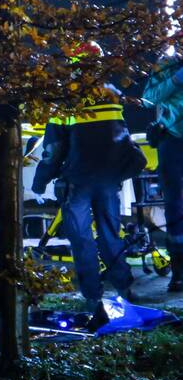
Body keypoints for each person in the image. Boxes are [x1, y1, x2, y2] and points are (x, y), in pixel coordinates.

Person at [34, 43, 145, 306]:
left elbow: (53, 149)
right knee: (110, 234)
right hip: (108, 181)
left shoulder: (66, 99)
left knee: (81, 238)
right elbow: (122, 139)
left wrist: (40, 182)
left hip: (78, 181)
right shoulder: (112, 94)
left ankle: (93, 296)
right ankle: (124, 290)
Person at [142, 51, 183, 292]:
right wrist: (175, 81)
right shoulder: (166, 64)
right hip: (172, 141)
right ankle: (179, 272)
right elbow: (148, 99)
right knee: (174, 205)